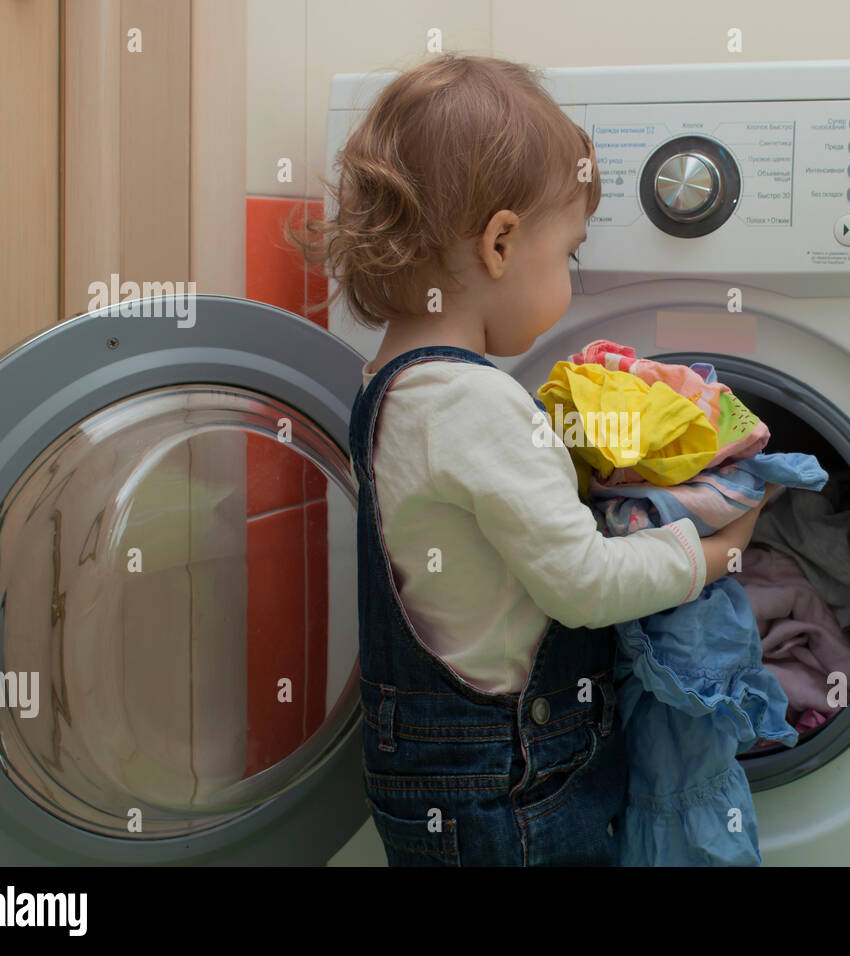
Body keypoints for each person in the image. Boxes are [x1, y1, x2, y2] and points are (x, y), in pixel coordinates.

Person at [292, 53, 773, 866]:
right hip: (513, 789)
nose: (570, 286)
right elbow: (581, 585)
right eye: (569, 258)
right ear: (502, 244)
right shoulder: (476, 404)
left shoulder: (387, 385)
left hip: (432, 771)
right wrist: (711, 554)